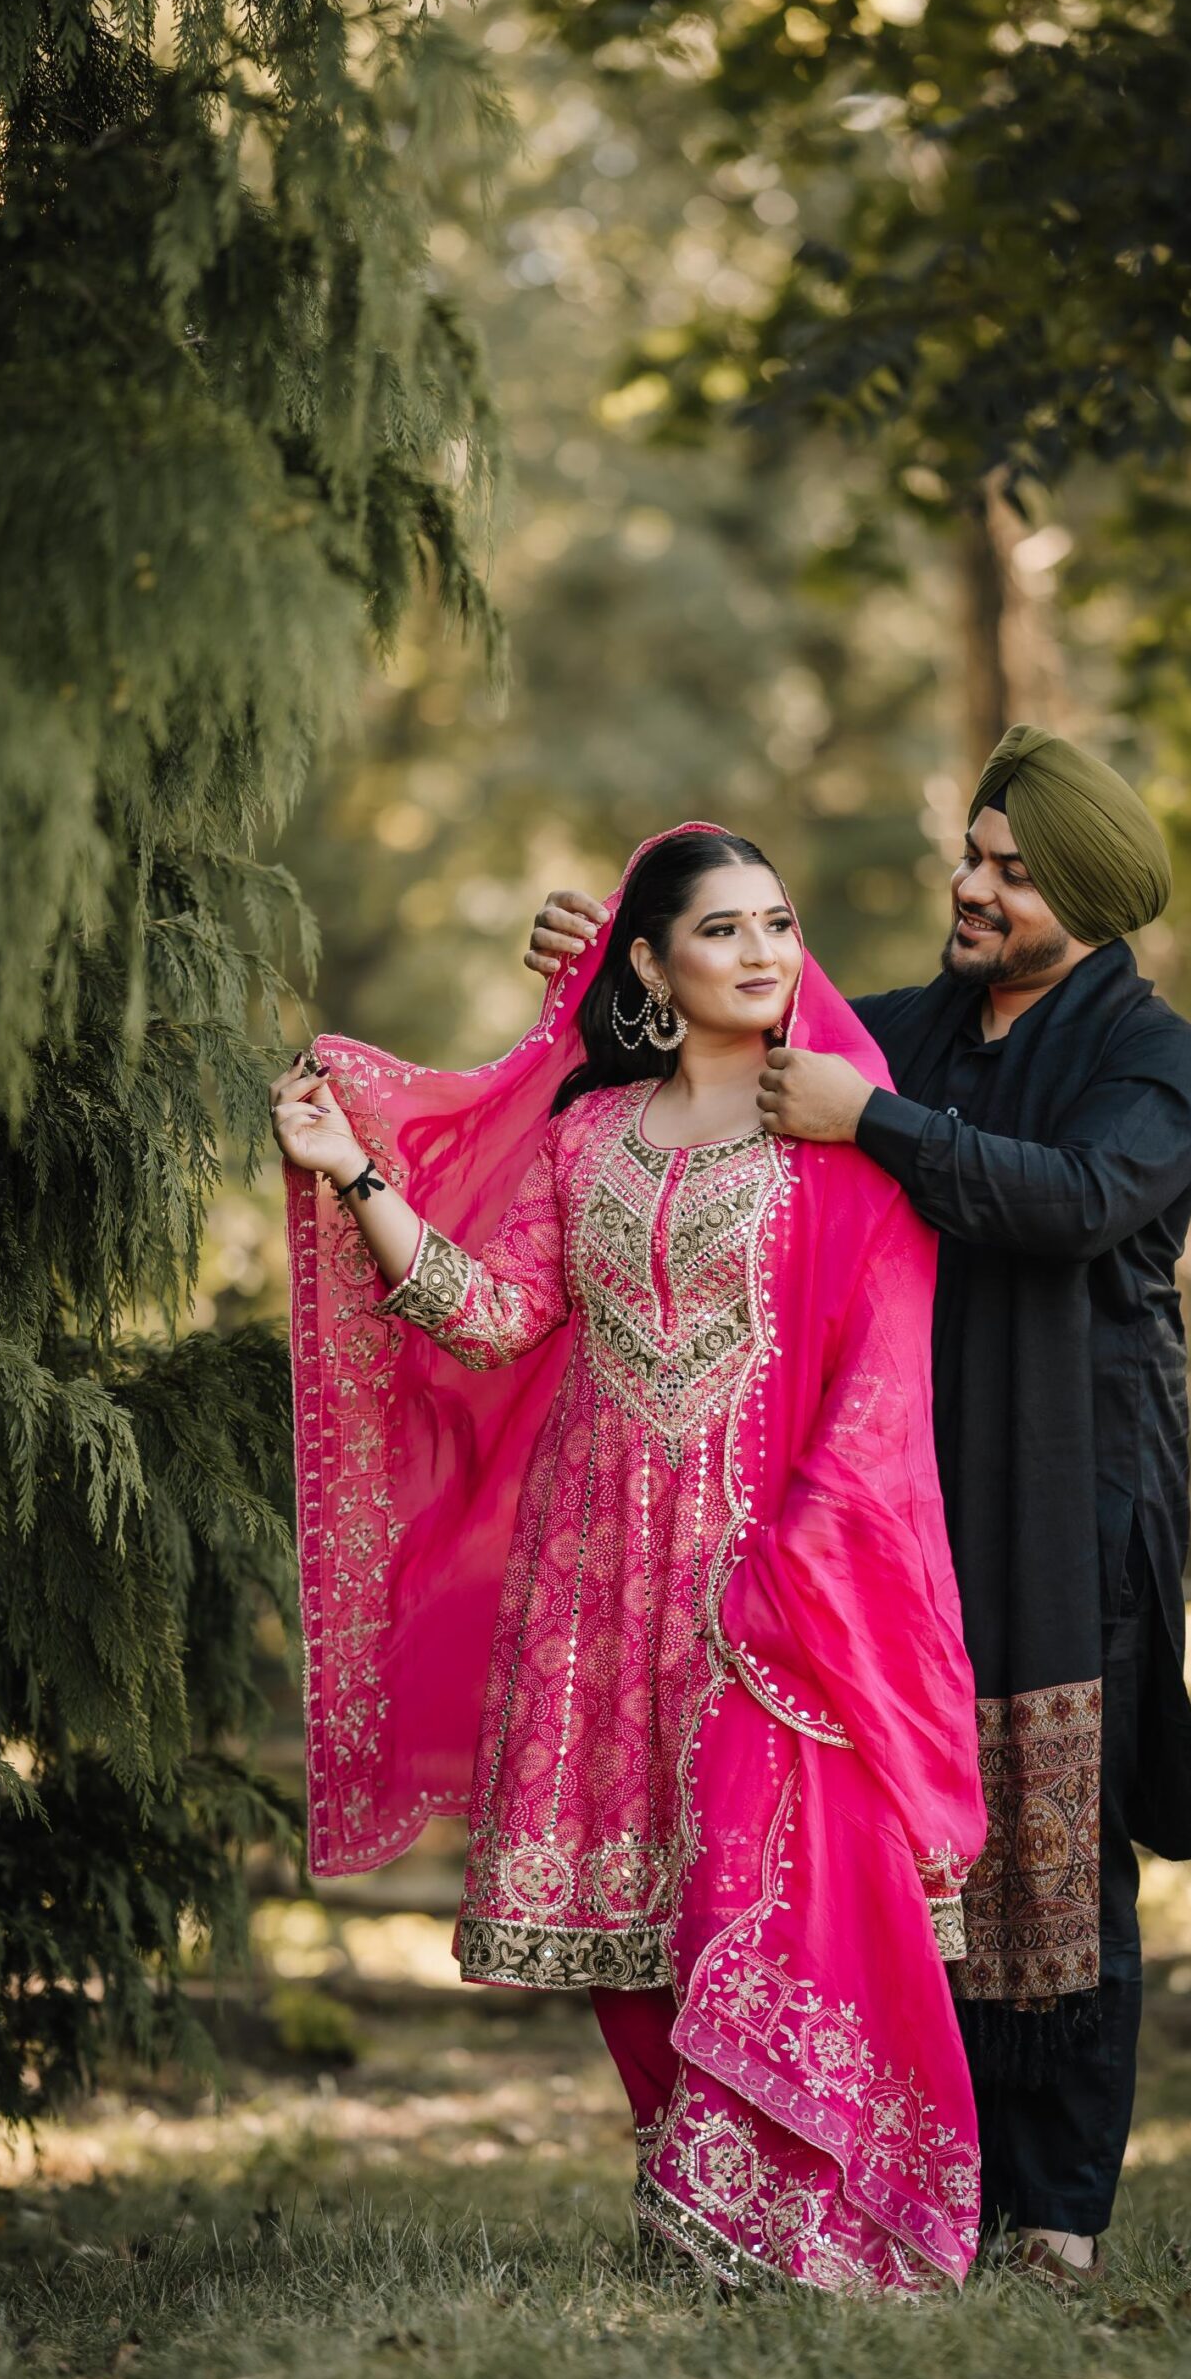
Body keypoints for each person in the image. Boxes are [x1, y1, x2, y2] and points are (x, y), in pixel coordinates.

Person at [525, 730, 1191, 2288]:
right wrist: (609, 962)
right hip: (887, 1499)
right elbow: (736, 1020)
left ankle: (1056, 2211)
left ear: (1089, 902)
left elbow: (1073, 1201)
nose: (971, 885)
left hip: (1066, 1502)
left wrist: (878, 1123)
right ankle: (925, 2165)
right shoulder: (913, 1030)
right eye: (973, 854)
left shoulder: (1154, 1062)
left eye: (1011, 872)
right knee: (908, 1834)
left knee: (1058, 1843)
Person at [274, 825, 986, 2295]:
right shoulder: (586, 1134)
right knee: (625, 1898)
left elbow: (883, 1373)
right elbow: (491, 1316)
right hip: (593, 1580)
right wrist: (355, 1175)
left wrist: (800, 1565)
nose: (764, 952)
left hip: (768, 1582)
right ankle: (689, 2191)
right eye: (723, 929)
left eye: (779, 923)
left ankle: (808, 2208)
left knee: (753, 1872)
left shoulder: (837, 1139)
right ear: (649, 966)